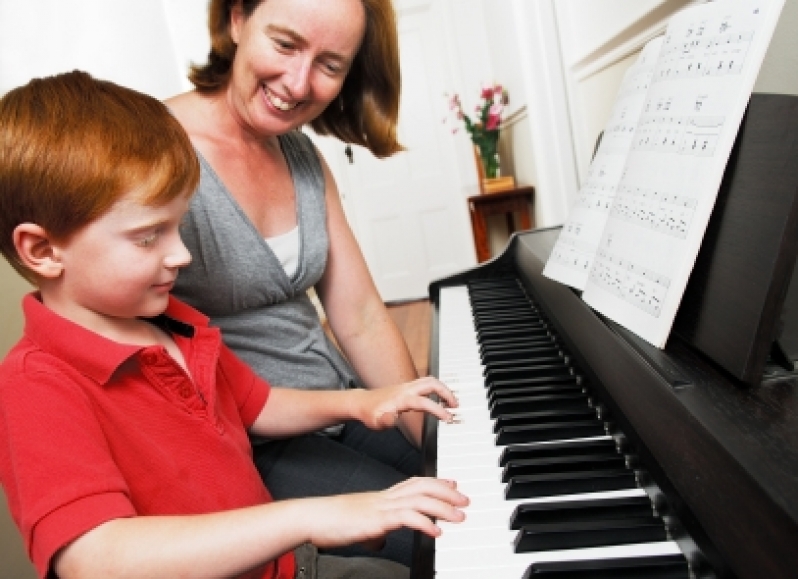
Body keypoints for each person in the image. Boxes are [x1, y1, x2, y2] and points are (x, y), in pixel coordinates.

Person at [0, 71, 468, 579]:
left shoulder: (171, 322)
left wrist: (362, 402)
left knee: (447, 507)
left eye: (177, 226)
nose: (180, 254)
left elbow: (257, 403)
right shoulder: (34, 385)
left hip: (288, 566)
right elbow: (95, 558)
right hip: (283, 549)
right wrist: (312, 515)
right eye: (147, 236)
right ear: (43, 251)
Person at [167, 0, 427, 565]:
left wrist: (422, 426)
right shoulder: (155, 148)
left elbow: (358, 314)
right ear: (237, 20)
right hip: (254, 442)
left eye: (330, 65)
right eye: (285, 44)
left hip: (337, 404)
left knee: (465, 480)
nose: (298, 82)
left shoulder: (302, 155)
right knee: (437, 533)